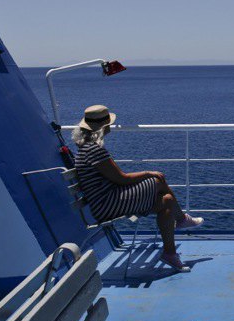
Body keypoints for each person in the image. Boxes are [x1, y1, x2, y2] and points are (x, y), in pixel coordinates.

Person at [72, 104, 202, 271]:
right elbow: (122, 179)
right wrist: (149, 172)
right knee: (157, 180)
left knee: (167, 201)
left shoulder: (87, 148)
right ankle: (182, 219)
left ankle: (170, 253)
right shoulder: (94, 150)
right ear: (103, 127)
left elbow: (118, 179)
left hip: (107, 201)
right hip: (107, 206)